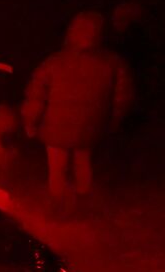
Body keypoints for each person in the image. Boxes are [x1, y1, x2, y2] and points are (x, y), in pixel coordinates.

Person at [22, 11, 134, 215]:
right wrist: (113, 122)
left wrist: (30, 123)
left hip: (55, 129)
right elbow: (122, 99)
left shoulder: (53, 62)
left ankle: (57, 206)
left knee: (57, 169)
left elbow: (36, 98)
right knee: (83, 164)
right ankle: (83, 204)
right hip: (90, 128)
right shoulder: (114, 62)